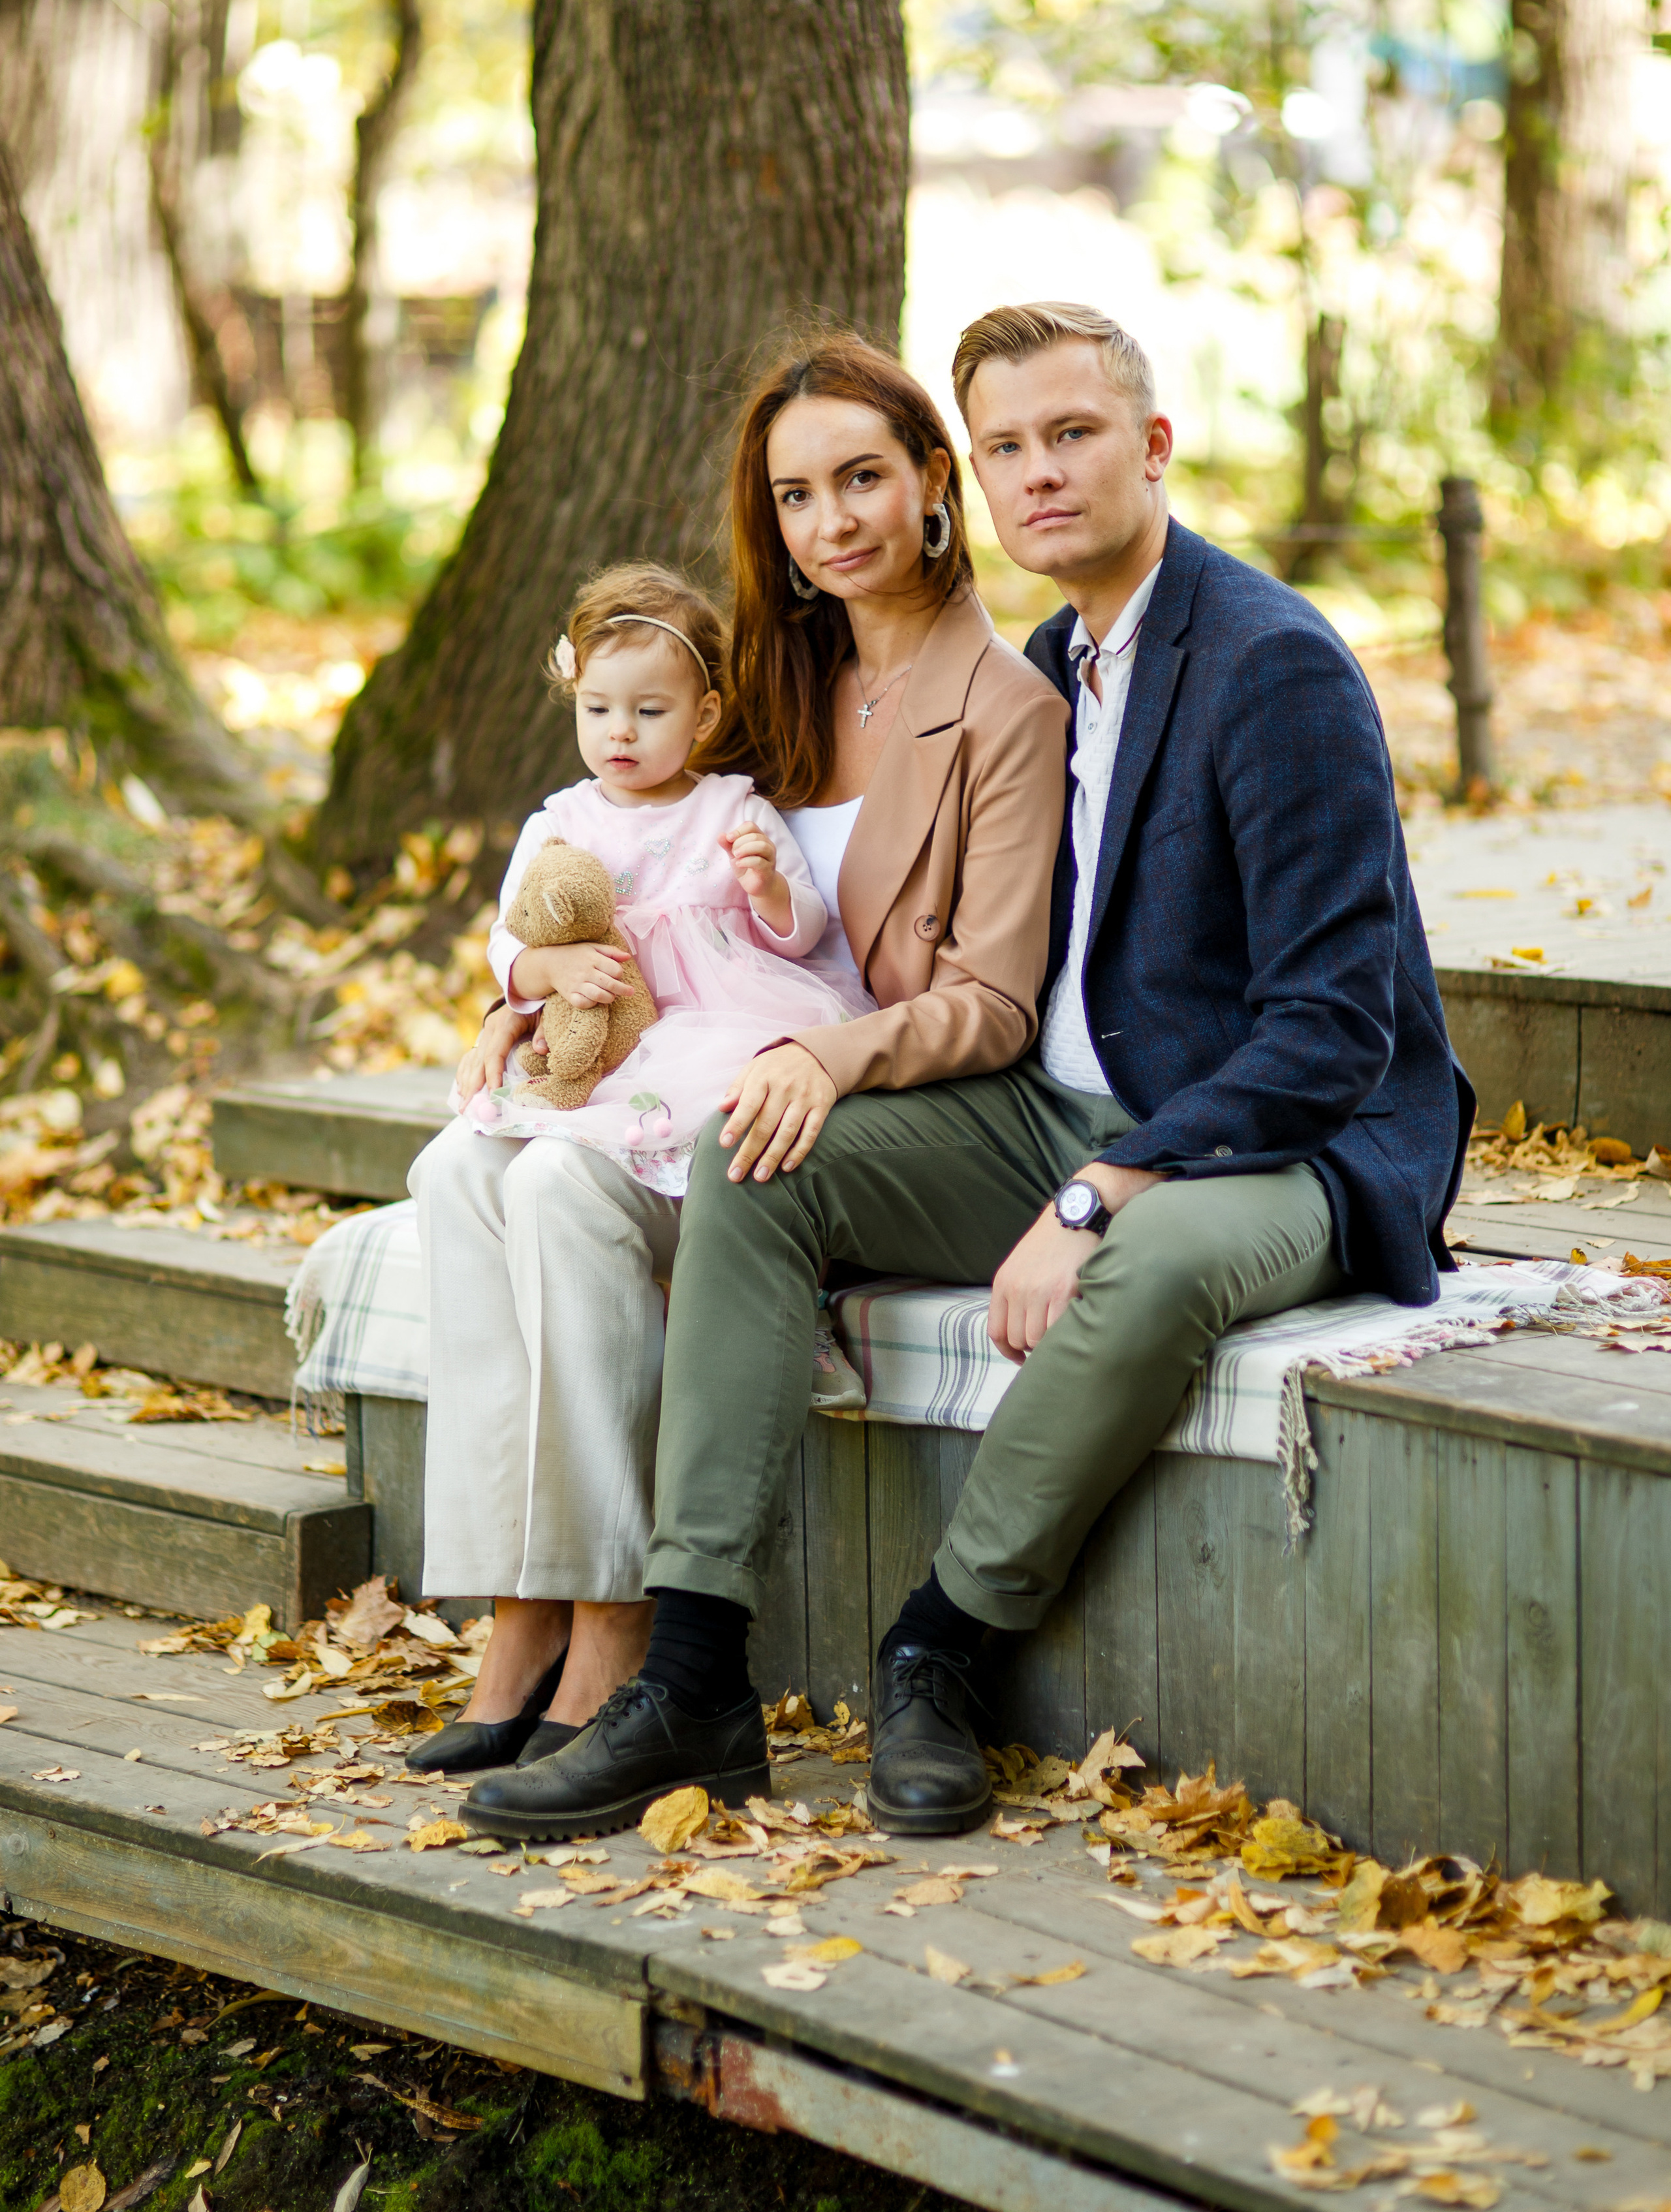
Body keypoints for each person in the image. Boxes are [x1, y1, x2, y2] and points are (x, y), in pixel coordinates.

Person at [463, 299, 1471, 1845]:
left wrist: (1098, 1187)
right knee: (753, 1150)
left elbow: (1333, 1031)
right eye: (1009, 445)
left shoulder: (1273, 664)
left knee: (1143, 1268)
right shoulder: (1066, 655)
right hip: (1060, 1108)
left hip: (1288, 1143)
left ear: (1152, 446)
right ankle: (694, 1675)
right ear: (975, 479)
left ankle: (942, 1640)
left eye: (1071, 435)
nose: (1039, 473)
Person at [418, 334, 1068, 1781]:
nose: (828, 522)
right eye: (792, 496)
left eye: (859, 480)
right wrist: (523, 991)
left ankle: (615, 1628)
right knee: (462, 1170)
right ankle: (521, 1593)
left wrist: (832, 1057)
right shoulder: (772, 679)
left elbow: (992, 1003)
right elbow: (623, 862)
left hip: (873, 1093)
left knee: (556, 1200)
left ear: (931, 485)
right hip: (671, 1064)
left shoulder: (1008, 713)